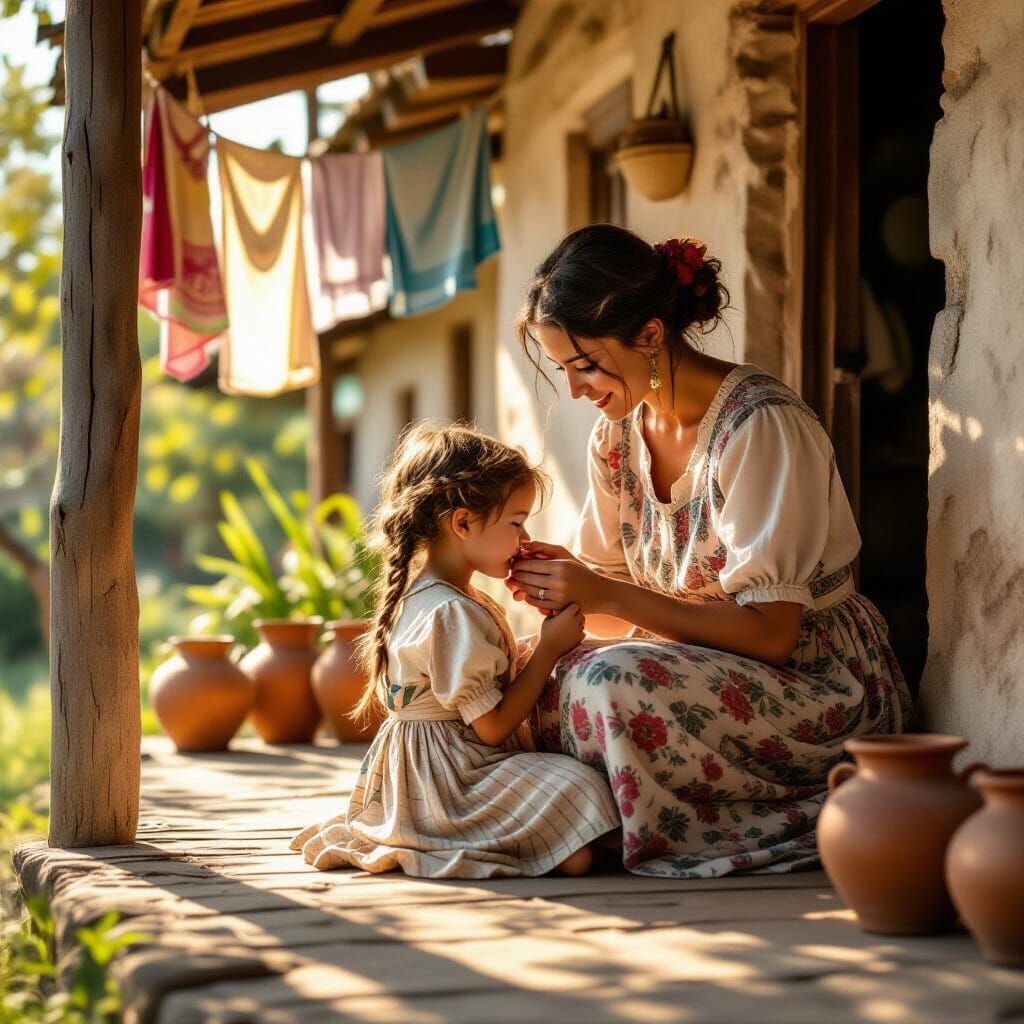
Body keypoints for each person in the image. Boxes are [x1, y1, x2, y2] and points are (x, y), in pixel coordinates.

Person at [507, 225, 913, 878]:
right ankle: (605, 819)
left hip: (814, 682)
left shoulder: (760, 426)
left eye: (585, 364)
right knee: (527, 668)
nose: (577, 390)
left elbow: (773, 633)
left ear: (650, 334)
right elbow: (611, 620)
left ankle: (670, 823)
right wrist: (566, 588)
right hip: (694, 667)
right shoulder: (617, 439)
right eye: (563, 370)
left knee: (604, 682)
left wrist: (607, 592)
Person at [290, 422, 620, 878]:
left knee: (579, 827)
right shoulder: (453, 613)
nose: (523, 540)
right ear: (463, 522)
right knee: (581, 786)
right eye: (516, 523)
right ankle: (503, 841)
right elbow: (492, 729)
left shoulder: (424, 596)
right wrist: (549, 650)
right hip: (453, 782)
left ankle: (552, 848)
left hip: (422, 780)